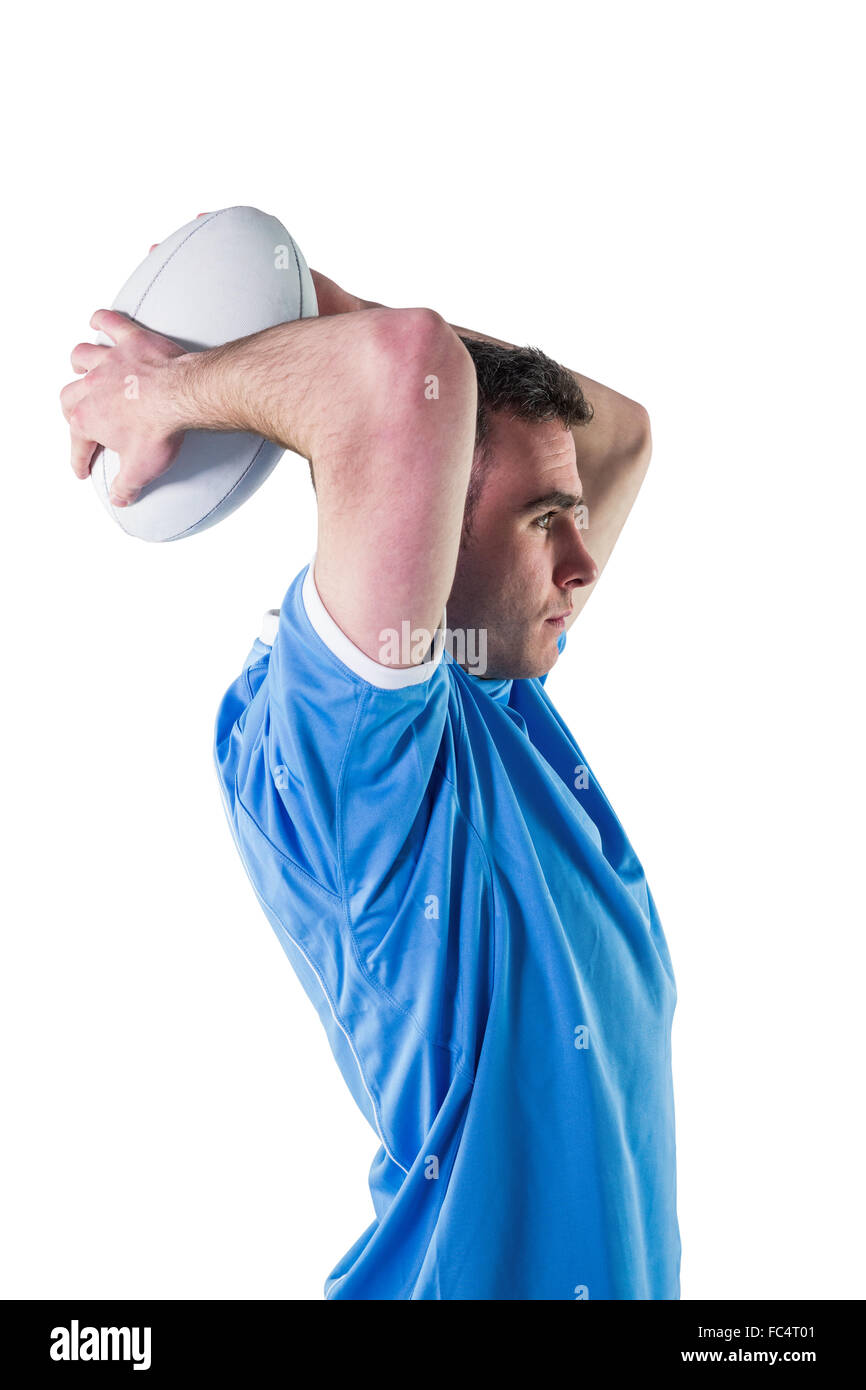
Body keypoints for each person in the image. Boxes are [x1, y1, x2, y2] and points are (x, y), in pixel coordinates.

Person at [61, 271, 680, 1300]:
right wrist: (163, 392)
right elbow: (403, 374)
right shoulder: (350, 740)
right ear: (436, 518)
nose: (582, 564)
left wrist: (283, 290)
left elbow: (618, 434)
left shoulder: (489, 695)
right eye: (541, 520)